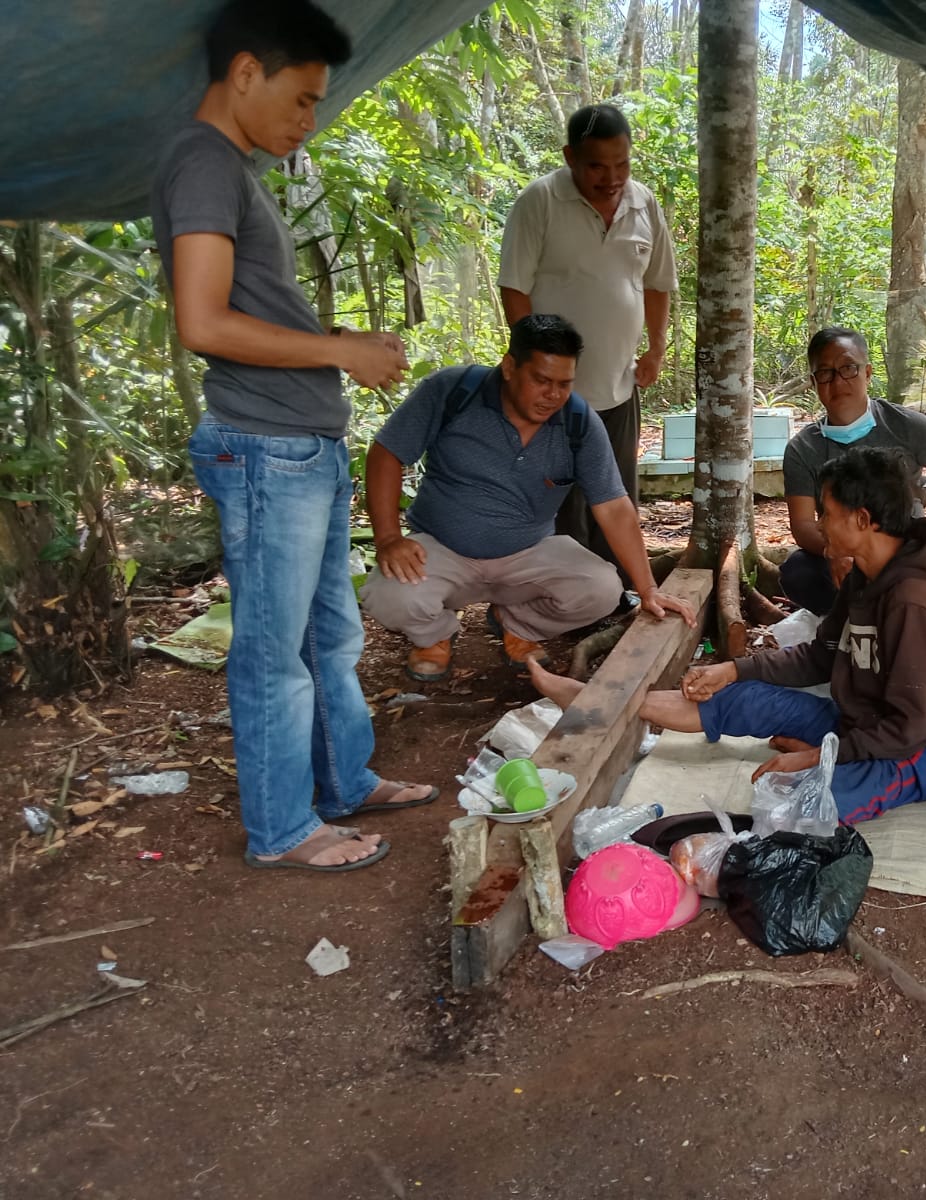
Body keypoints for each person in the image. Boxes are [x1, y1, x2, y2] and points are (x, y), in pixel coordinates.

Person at [152, 0, 433, 872]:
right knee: (274, 654)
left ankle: (343, 780)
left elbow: (244, 308)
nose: (310, 119)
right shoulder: (203, 162)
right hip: (265, 449)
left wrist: (336, 358)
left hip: (297, 449)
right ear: (245, 72)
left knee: (330, 638)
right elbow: (201, 320)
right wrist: (341, 351)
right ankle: (283, 829)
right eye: (303, 97)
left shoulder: (229, 169)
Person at [529, 447, 926, 826]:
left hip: (924, 750)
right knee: (744, 698)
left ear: (862, 520)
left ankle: (829, 761)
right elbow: (820, 657)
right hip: (865, 723)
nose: (819, 522)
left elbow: (913, 727)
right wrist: (733, 669)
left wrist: (817, 760)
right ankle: (597, 701)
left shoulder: (913, 600)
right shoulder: (864, 574)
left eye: (826, 512)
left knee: (800, 810)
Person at [361, 314, 697, 680]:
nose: (553, 395)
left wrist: (647, 588)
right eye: (541, 380)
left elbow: (613, 506)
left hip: (528, 552)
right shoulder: (452, 392)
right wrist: (389, 538)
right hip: (442, 548)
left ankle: (517, 625)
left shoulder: (578, 422)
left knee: (602, 589)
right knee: (387, 594)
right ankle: (434, 637)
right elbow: (386, 454)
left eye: (564, 384)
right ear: (509, 367)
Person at [498, 103, 677, 560]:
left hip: (618, 386)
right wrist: (533, 370)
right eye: (597, 165)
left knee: (614, 493)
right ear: (569, 157)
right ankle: (559, 601)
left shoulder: (644, 203)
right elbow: (515, 288)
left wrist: (655, 350)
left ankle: (620, 590)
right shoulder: (539, 201)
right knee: (559, 502)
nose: (612, 177)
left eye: (623, 164)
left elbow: (657, 284)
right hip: (552, 393)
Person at [781, 326, 926, 623]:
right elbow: (801, 524)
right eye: (826, 373)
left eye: (848, 368)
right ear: (814, 382)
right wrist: (835, 551)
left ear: (867, 372)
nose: (838, 381)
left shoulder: (904, 426)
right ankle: (849, 628)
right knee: (799, 573)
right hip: (845, 556)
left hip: (906, 554)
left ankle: (896, 622)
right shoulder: (804, 448)